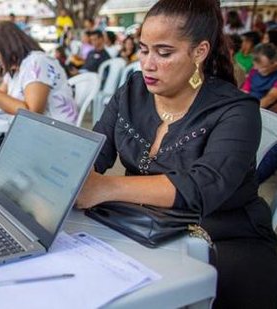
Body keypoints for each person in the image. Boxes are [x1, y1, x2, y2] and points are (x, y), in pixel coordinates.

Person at [74, 0, 277, 307]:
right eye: (143, 49)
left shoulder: (236, 110)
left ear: (200, 52)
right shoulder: (133, 91)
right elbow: (95, 150)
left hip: (226, 238)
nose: (148, 64)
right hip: (144, 229)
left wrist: (104, 187)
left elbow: (203, 185)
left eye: (164, 53)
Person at [0, 21, 77, 171]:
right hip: (30, 134)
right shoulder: (14, 68)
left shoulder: (37, 62)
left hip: (51, 138)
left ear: (6, 47)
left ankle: (19, 185)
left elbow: (32, 112)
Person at [241, 43, 277, 184]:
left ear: (274, 63)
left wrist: (251, 109)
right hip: (251, 108)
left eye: (261, 65)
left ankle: (252, 181)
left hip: (267, 113)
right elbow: (245, 90)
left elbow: (272, 97)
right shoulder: (254, 71)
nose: (256, 67)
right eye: (255, 64)